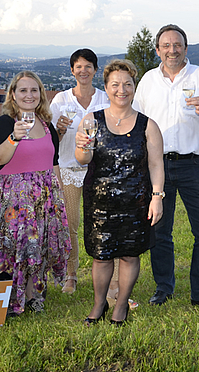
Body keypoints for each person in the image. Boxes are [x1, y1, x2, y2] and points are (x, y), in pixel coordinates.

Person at [132, 24, 199, 308]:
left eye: (177, 45)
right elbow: (136, 119)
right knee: (159, 230)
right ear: (158, 50)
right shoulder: (149, 81)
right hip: (156, 166)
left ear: (186, 49)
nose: (172, 50)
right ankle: (163, 288)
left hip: (193, 164)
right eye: (166, 45)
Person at [75, 59, 164, 325]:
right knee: (101, 257)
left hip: (136, 202)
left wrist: (156, 197)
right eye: (115, 84)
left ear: (134, 88)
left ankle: (121, 305)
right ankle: (99, 303)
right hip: (99, 204)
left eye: (127, 84)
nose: (121, 90)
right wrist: (82, 146)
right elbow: (82, 159)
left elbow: (156, 164)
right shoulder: (92, 120)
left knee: (129, 255)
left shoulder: (148, 125)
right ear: (106, 87)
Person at [0, 71, 71, 315]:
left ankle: (32, 296)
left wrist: (57, 202)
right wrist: (13, 138)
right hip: (11, 202)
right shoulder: (6, 122)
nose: (29, 95)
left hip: (43, 201)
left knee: (38, 248)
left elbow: (54, 163)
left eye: (34, 90)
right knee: (10, 250)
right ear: (13, 95)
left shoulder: (47, 125)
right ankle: (4, 301)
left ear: (41, 94)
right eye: (23, 90)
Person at [50, 49, 109, 295]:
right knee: (71, 225)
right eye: (78, 66)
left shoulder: (106, 99)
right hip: (69, 169)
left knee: (103, 225)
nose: (83, 71)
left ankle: (109, 278)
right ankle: (71, 276)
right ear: (72, 70)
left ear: (95, 70)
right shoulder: (60, 101)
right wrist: (60, 130)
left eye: (88, 66)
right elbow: (50, 140)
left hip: (99, 170)